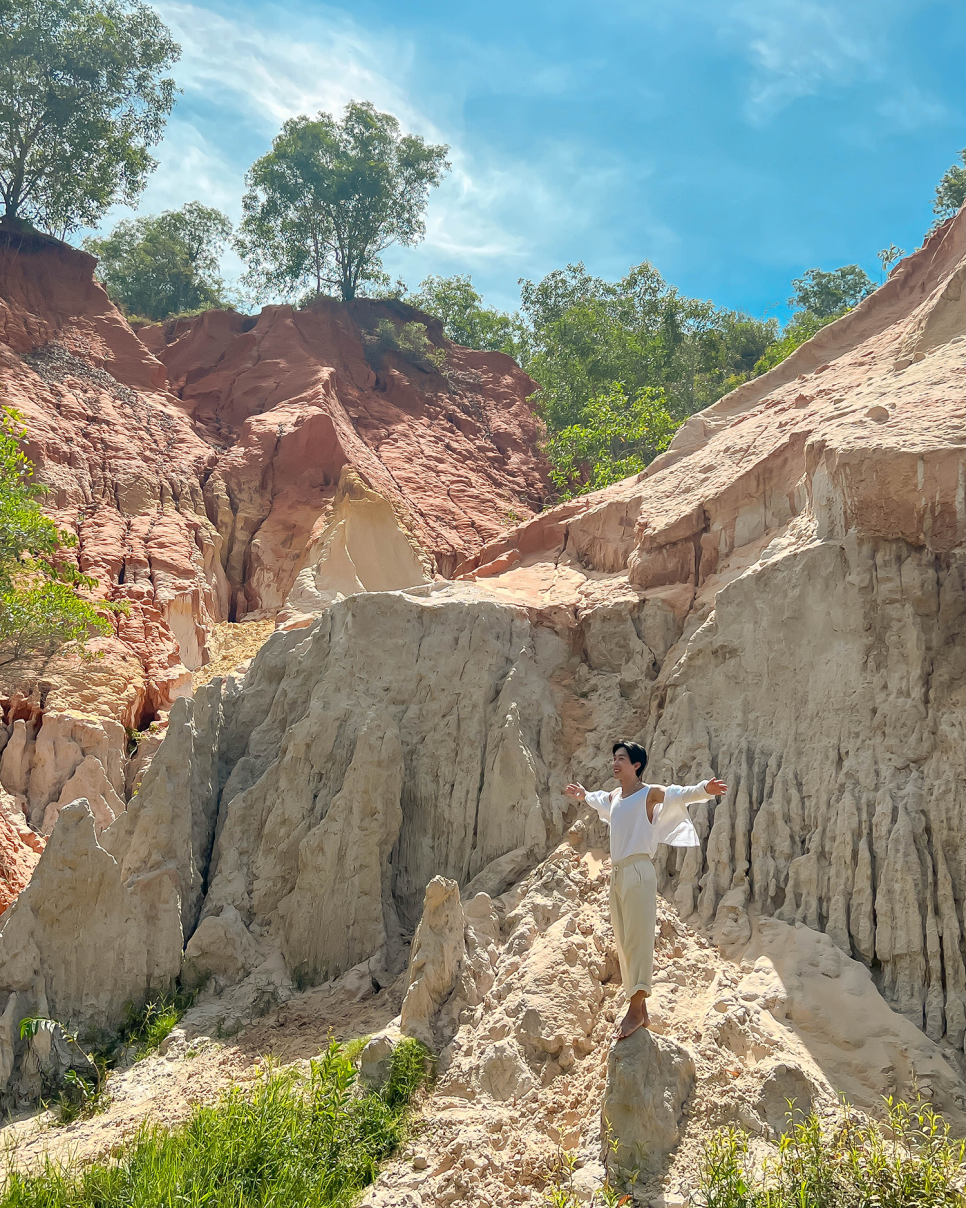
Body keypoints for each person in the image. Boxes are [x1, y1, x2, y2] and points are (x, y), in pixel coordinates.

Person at [566, 740, 727, 1041]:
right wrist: (583, 795)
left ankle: (636, 1007)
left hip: (639, 871)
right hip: (617, 873)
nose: (615, 763)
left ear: (636, 765)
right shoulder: (615, 796)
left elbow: (678, 794)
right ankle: (640, 1009)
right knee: (624, 940)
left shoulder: (649, 794)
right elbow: (599, 800)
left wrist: (705, 789)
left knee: (638, 939)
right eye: (613, 758)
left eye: (621, 759)